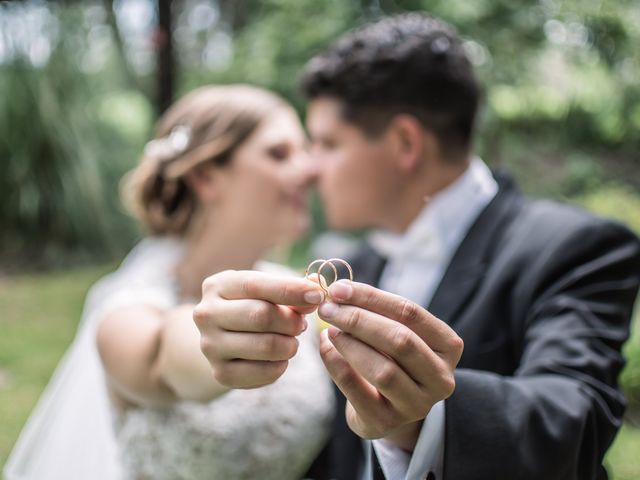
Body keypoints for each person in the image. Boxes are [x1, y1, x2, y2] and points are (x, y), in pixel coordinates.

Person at [193, 14, 640, 480]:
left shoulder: (574, 246)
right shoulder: (355, 267)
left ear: (405, 143)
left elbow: (578, 420)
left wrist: (428, 416)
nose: (309, 170)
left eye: (326, 143)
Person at [4, 84, 335, 480]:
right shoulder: (126, 312)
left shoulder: (299, 290)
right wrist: (213, 344)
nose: (312, 169)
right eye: (279, 153)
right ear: (205, 178)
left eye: (305, 150)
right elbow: (164, 358)